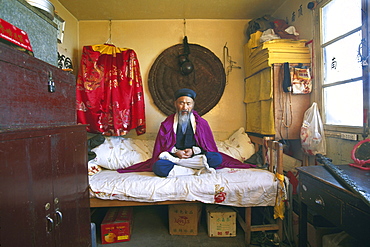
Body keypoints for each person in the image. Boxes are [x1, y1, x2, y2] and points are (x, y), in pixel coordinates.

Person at [117, 88, 255, 176]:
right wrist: (176, 152)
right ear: (175, 104)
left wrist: (192, 151)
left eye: (188, 103)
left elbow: (207, 147)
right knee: (158, 166)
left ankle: (184, 169)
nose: (185, 107)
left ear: (192, 105)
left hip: (196, 156)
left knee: (217, 158)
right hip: (175, 157)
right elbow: (162, 147)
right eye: (181, 103)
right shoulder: (167, 124)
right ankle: (193, 169)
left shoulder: (202, 123)